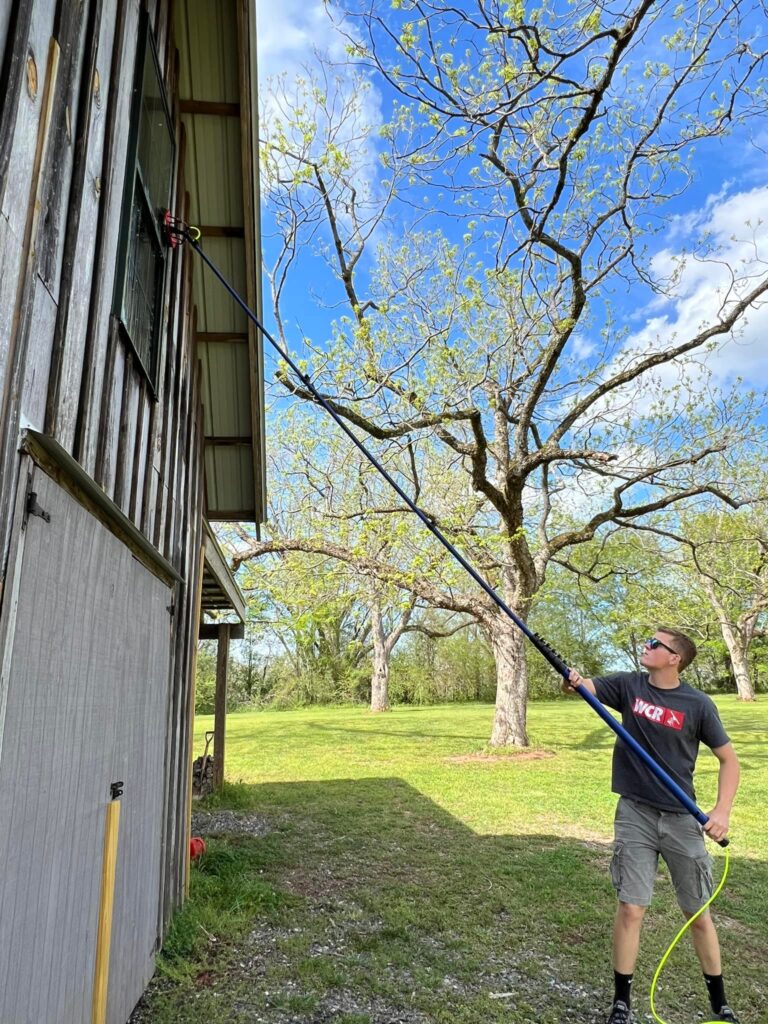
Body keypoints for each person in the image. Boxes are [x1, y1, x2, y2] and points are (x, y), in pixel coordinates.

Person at [565, 628, 741, 1024]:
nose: (645, 647)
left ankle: (721, 1005)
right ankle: (621, 1003)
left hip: (681, 819)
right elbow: (584, 686)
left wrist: (722, 811)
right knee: (631, 907)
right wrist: (573, 679)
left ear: (674, 657)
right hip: (636, 814)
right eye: (646, 641)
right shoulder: (629, 686)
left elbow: (730, 760)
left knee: (698, 912)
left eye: (654, 644)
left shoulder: (698, 704)